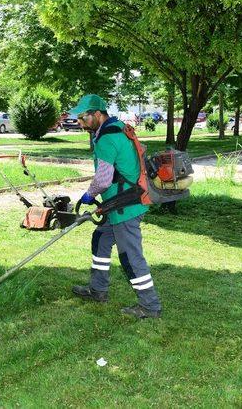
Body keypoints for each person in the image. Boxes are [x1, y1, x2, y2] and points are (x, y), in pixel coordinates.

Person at [69, 94, 162, 319]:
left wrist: (89, 195)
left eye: (83, 117)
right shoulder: (118, 127)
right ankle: (98, 290)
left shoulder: (106, 139)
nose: (79, 123)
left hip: (125, 206)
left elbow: (102, 180)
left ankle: (149, 306)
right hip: (119, 202)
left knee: (130, 256)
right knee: (100, 239)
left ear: (98, 115)